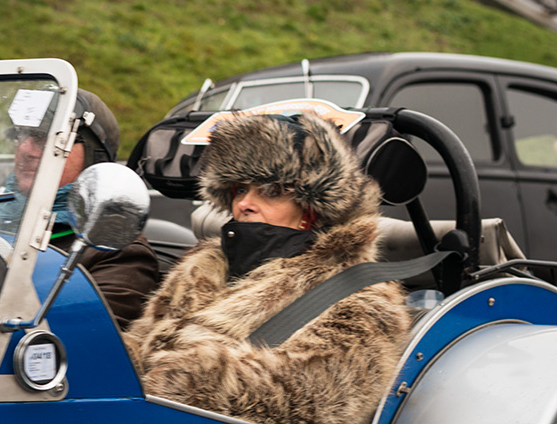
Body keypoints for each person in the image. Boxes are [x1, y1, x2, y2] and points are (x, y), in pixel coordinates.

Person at [124, 112, 410, 424]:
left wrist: (191, 382)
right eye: (240, 189)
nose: (244, 203)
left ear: (312, 207)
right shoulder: (202, 267)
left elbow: (320, 396)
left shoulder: (361, 296)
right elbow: (140, 342)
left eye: (271, 191)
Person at [0, 89, 160, 329]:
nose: (25, 149)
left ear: (93, 156)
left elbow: (81, 340)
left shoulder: (115, 251)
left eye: (45, 138)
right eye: (20, 135)